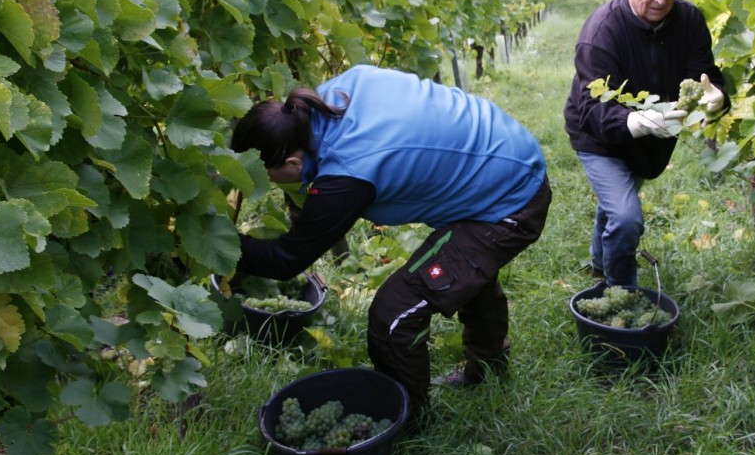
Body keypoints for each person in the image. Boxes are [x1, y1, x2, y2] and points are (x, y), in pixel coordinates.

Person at [230, 64, 551, 421]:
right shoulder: (329, 97)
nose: (270, 184)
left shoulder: (347, 173)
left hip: (512, 199)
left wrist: (224, 246)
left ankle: (407, 420)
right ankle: (488, 368)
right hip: (504, 149)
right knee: (465, 270)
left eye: (268, 176)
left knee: (393, 314)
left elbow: (286, 259)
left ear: (292, 162)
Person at [563, 0, 729, 288]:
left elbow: (704, 77)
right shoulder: (601, 32)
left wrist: (716, 97)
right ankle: (620, 291)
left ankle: (599, 262)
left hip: (651, 138)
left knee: (617, 201)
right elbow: (591, 108)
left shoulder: (689, 21)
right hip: (596, 134)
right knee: (626, 217)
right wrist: (632, 121)